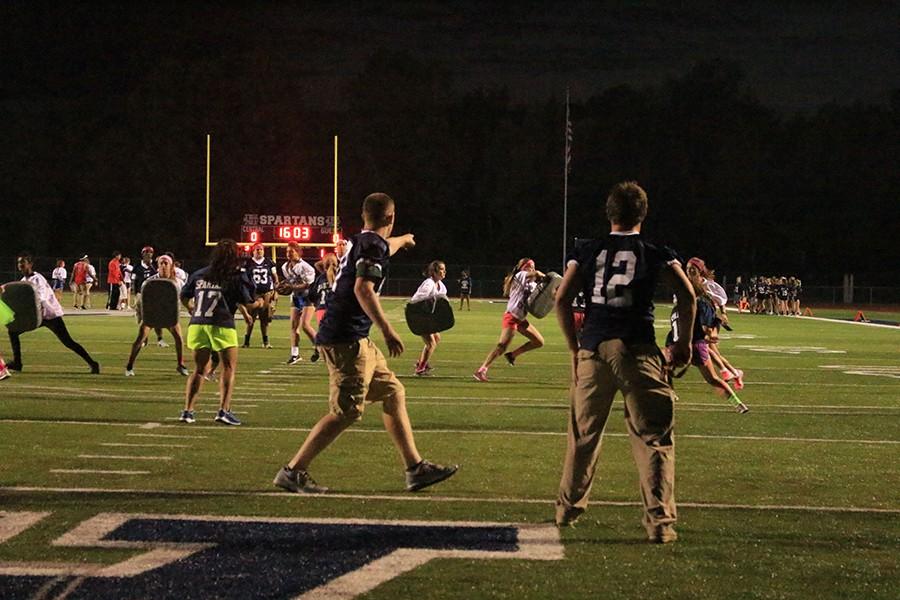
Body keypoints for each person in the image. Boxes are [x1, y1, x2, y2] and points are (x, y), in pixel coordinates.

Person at [273, 192, 458, 494]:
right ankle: (293, 471)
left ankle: (415, 468)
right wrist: (387, 329)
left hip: (355, 336)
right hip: (345, 338)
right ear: (391, 217)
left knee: (393, 392)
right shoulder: (372, 245)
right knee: (346, 412)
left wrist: (404, 238)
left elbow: (387, 246)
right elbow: (363, 288)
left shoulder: (364, 241)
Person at [553, 181, 696, 543]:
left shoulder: (589, 249)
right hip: (638, 350)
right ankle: (660, 523)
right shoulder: (654, 251)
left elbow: (562, 299)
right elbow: (687, 295)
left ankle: (567, 509)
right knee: (654, 438)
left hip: (595, 350)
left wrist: (575, 350)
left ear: (609, 213)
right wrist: (682, 344)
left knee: (583, 436)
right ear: (643, 214)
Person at [179, 239, 260, 425]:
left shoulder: (200, 273)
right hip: (222, 323)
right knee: (228, 368)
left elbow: (184, 295)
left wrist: (191, 308)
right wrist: (261, 303)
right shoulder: (235, 275)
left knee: (199, 370)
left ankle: (188, 411)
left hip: (198, 324)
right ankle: (224, 410)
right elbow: (249, 302)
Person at [666, 264, 748, 413]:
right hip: (696, 346)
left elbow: (672, 333)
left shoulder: (677, 308)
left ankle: (670, 394)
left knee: (664, 370)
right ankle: (737, 403)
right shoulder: (701, 305)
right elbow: (706, 330)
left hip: (676, 346)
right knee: (713, 379)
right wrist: (712, 333)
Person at [5, 253, 100, 374]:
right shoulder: (24, 281)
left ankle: (93, 363)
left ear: (30, 264)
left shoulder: (37, 279)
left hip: (50, 315)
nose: (20, 265)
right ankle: (17, 363)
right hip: (37, 316)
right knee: (13, 331)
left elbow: (40, 297)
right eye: (19, 263)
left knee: (68, 342)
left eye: (23, 262)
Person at [473, 258, 545, 382]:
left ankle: (513, 355)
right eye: (529, 266)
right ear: (522, 267)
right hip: (512, 316)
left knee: (539, 341)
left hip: (521, 319)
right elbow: (537, 274)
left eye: (533, 266)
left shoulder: (532, 284)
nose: (532, 269)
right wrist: (547, 277)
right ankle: (481, 370)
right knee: (502, 346)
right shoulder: (520, 275)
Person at [125, 255, 188, 377]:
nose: (163, 266)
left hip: (169, 316)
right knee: (140, 338)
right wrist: (142, 316)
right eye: (161, 263)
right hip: (152, 315)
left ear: (171, 265)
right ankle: (129, 365)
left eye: (166, 263)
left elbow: (184, 299)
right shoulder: (149, 282)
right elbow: (142, 302)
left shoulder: (179, 282)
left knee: (179, 339)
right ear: (157, 266)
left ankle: (181, 364)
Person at [279, 241, 316, 364]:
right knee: (293, 326)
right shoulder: (285, 267)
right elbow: (289, 282)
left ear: (298, 252)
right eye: (287, 251)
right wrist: (280, 286)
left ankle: (320, 346)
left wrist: (292, 287)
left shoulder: (306, 267)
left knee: (305, 325)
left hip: (307, 297)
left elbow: (308, 285)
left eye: (291, 251)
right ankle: (295, 354)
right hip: (295, 298)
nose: (288, 254)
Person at [410, 260, 448, 375]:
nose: (444, 271)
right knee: (431, 343)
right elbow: (416, 301)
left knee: (436, 338)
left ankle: (421, 362)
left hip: (427, 317)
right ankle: (420, 368)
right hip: (419, 315)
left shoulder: (441, 286)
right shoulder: (429, 283)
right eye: (441, 269)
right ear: (434, 272)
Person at [240, 243, 279, 349]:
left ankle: (266, 342)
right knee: (251, 319)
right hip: (254, 293)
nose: (259, 251)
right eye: (257, 249)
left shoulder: (269, 262)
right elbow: (243, 278)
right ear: (253, 251)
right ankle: (246, 341)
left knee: (264, 320)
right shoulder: (247, 263)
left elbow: (275, 278)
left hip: (267, 293)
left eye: (261, 249)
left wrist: (275, 291)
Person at [132, 246, 168, 347]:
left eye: (150, 253)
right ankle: (144, 339)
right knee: (142, 319)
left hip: (153, 295)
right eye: (146, 252)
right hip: (141, 294)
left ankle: (160, 339)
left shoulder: (156, 265)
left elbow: (161, 277)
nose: (149, 254)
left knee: (156, 319)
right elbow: (134, 281)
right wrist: (136, 295)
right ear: (142, 254)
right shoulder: (137, 266)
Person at [308, 252, 339, 362]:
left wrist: (329, 262)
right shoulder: (321, 277)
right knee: (326, 333)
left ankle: (320, 348)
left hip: (332, 308)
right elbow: (312, 295)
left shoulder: (339, 276)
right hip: (323, 308)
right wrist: (330, 261)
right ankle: (321, 349)